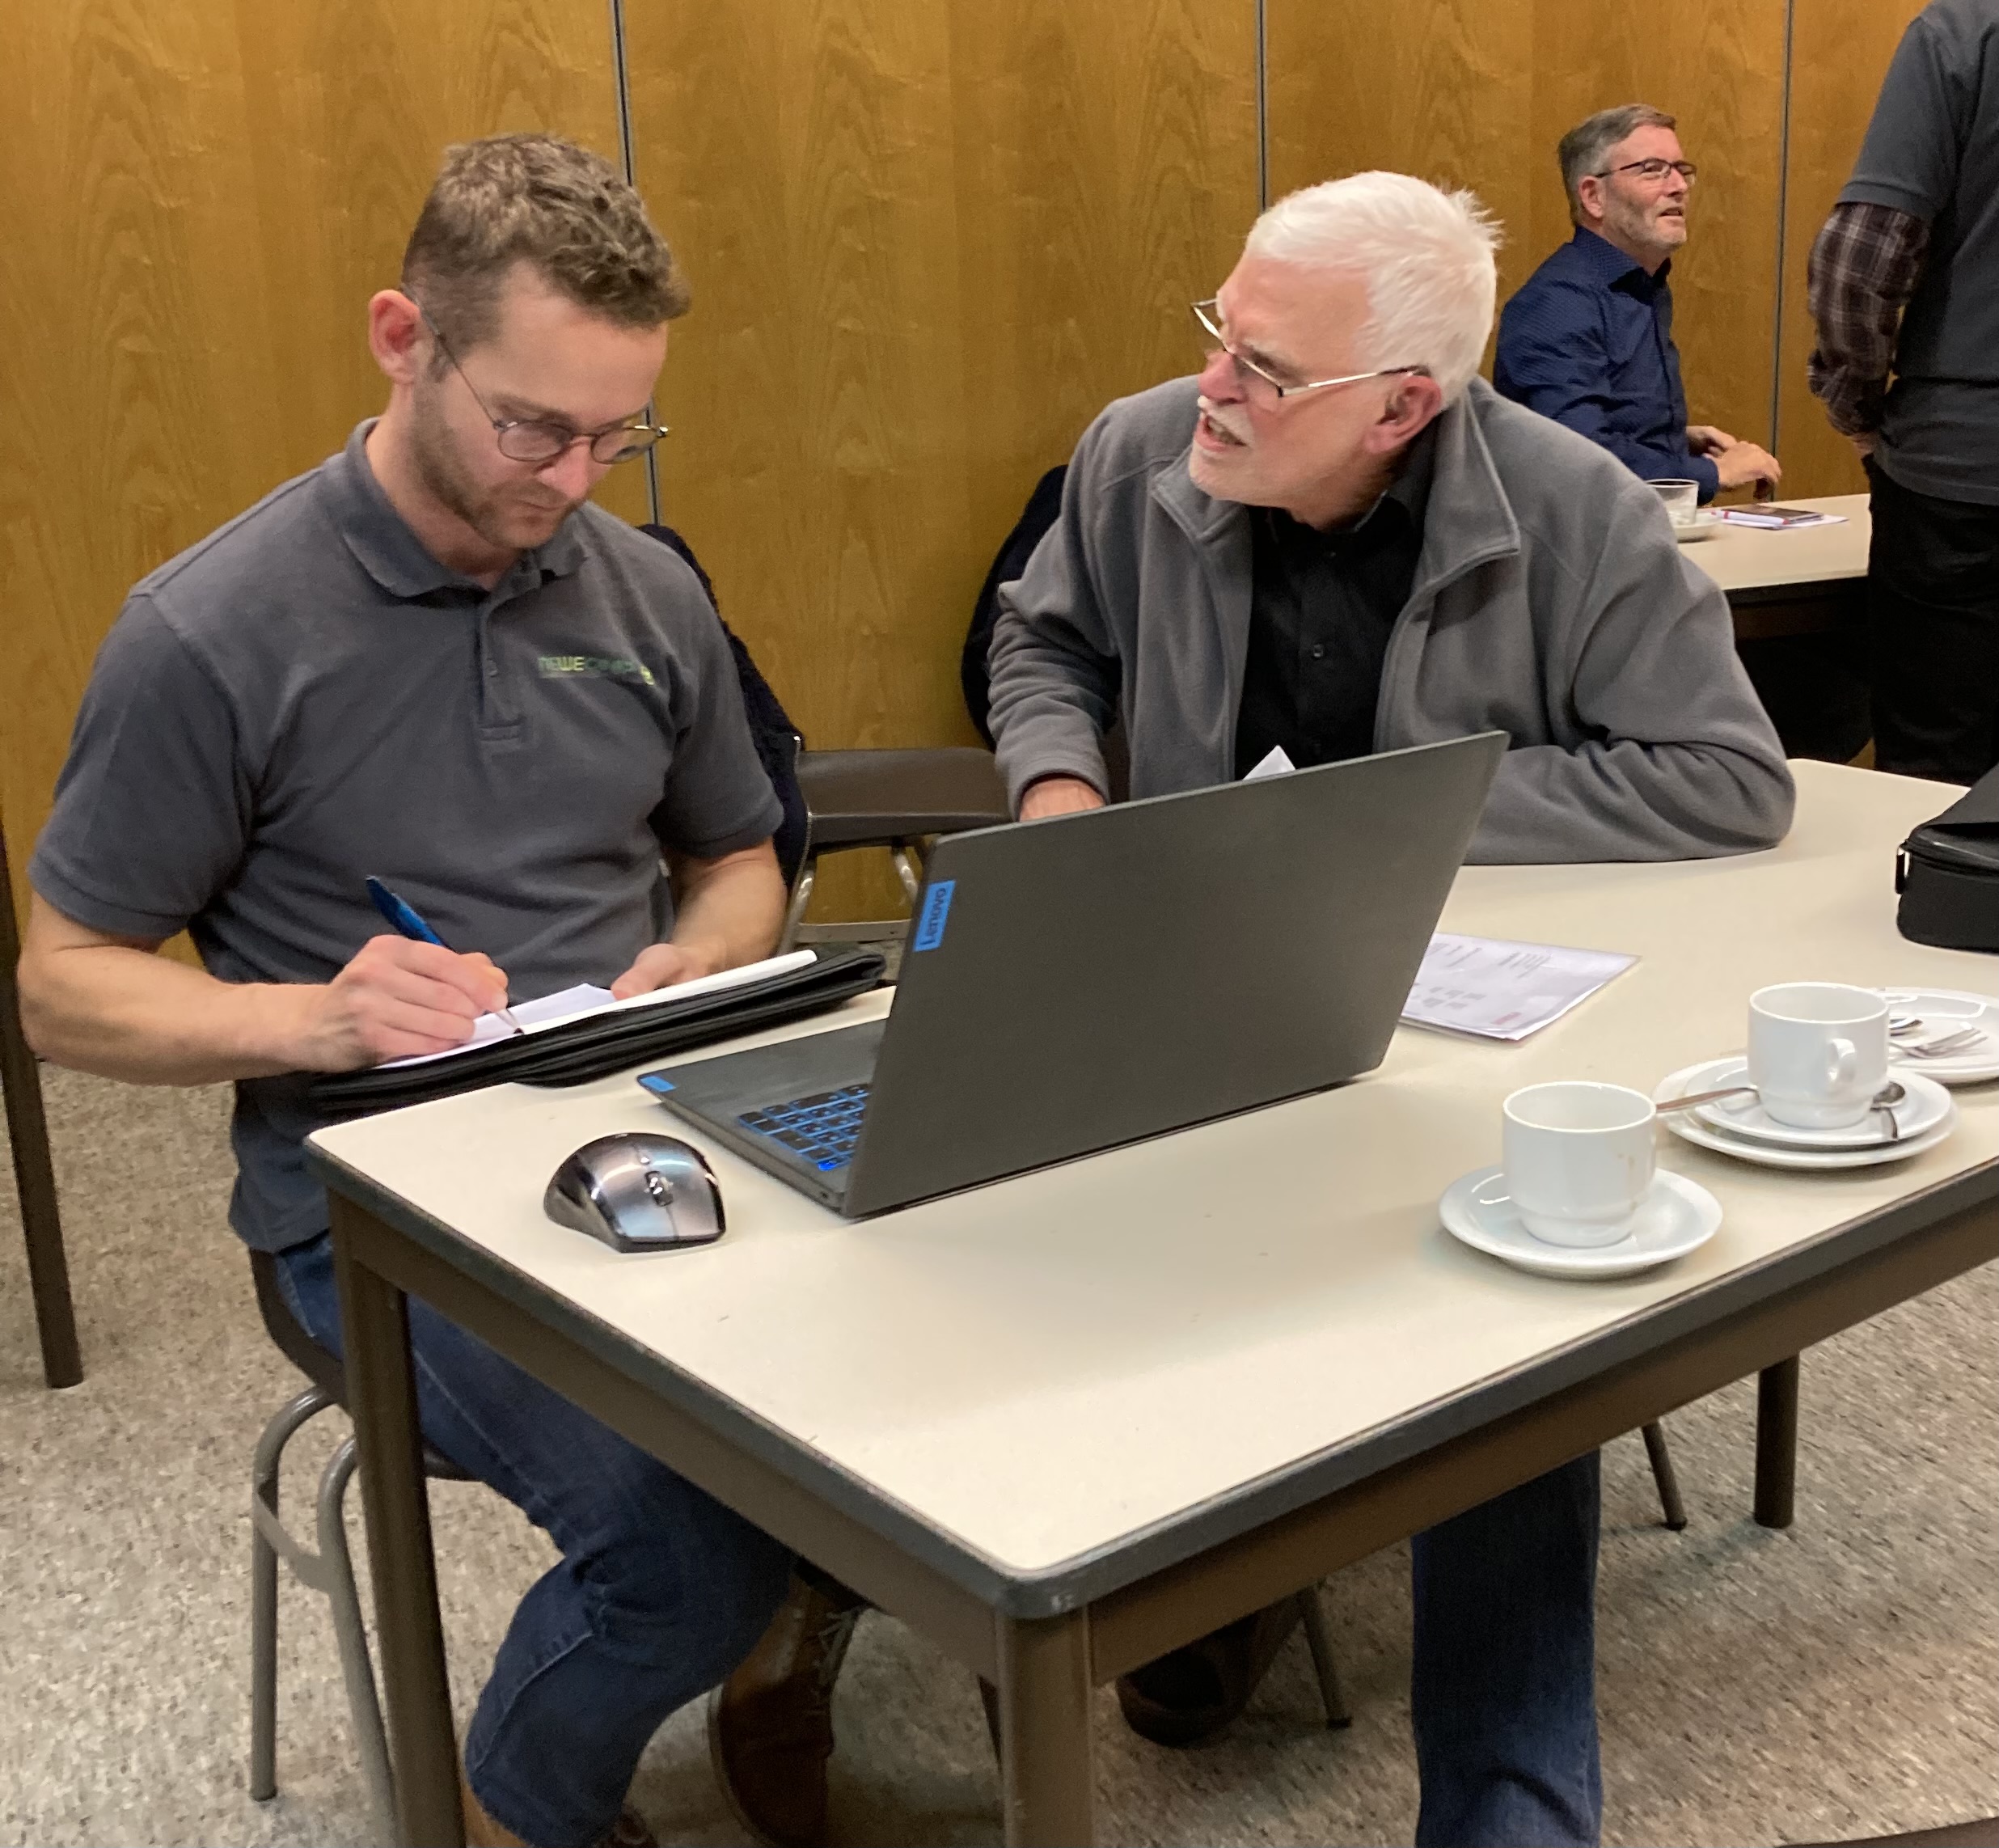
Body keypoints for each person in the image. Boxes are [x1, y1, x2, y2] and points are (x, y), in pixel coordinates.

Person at [712, 175, 1794, 1848]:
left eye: (1266, 369)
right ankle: (1024, 1568)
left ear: (1401, 407)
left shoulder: (1572, 505)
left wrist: (1399, 817)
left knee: (1505, 1343)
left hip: (1456, 1022)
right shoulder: (1141, 449)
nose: (1214, 383)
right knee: (954, 1205)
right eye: (1222, 328)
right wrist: (1060, 788)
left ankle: (1507, 1806)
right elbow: (1038, 643)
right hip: (1184, 977)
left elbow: (1725, 776)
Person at [19, 134, 796, 1848]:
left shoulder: (645, 586)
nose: (576, 478)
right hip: (373, 1205)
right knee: (683, 1556)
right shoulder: (211, 633)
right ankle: (507, 1804)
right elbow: (61, 989)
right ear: (402, 339)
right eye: (534, 428)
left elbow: (740, 856)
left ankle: (780, 1669)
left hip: (646, 1116)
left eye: (619, 435)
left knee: (907, 1401)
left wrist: (705, 952)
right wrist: (316, 1018)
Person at [1807, 0, 1999, 784]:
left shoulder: (1964, 33)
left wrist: (1857, 403)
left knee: (1933, 779)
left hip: (1962, 473)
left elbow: (1861, 258)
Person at [1496, 104, 1781, 503]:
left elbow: (1594, 419)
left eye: (1681, 169)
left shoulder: (1642, 286)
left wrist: (1673, 440)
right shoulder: (1556, 305)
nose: (1679, 186)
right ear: (1594, 196)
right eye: (1653, 170)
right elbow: (1578, 458)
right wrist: (1712, 473)